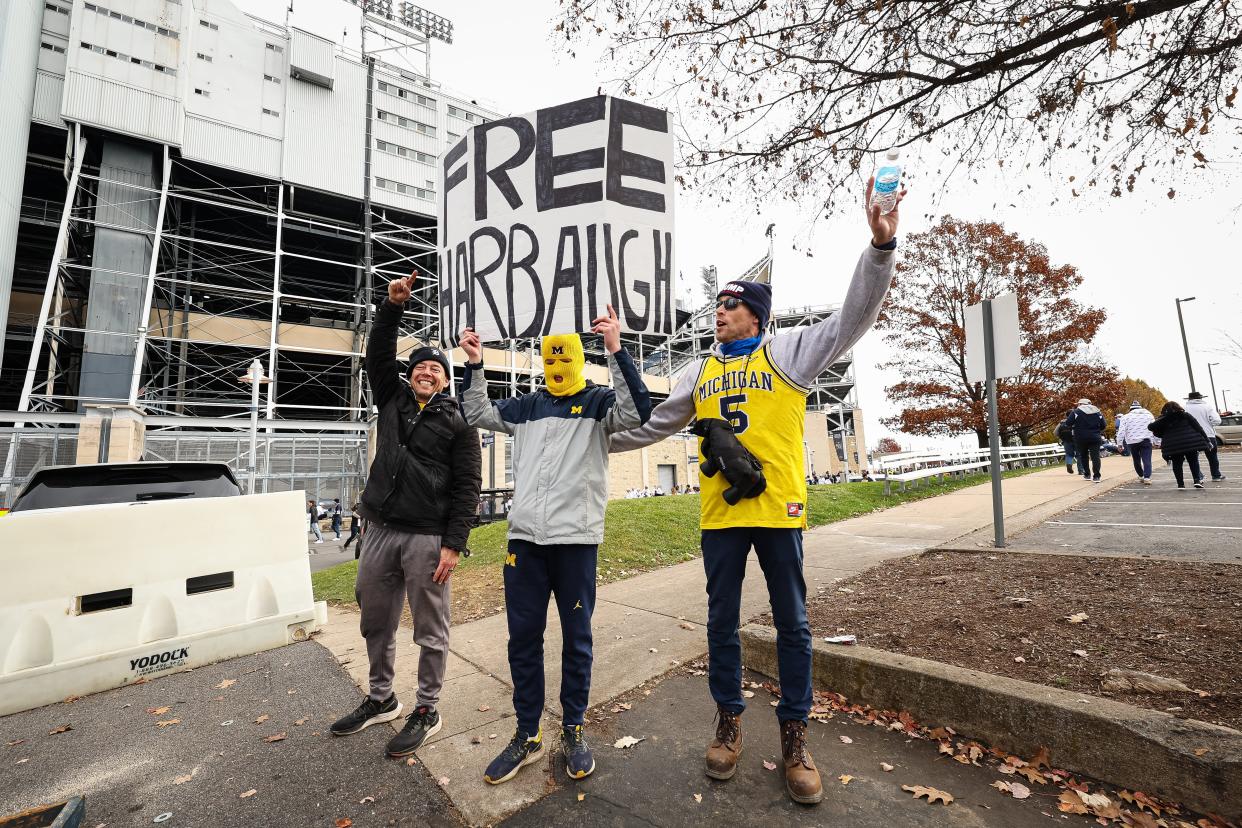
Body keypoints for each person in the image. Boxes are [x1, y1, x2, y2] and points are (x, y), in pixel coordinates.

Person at [610, 178, 903, 806]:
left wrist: (879, 250)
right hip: (720, 516)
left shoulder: (791, 352)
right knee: (722, 623)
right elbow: (651, 425)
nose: (718, 313)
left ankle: (795, 736)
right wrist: (587, 441)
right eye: (717, 306)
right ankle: (728, 719)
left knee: (793, 625)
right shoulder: (700, 369)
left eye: (730, 306)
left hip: (780, 512)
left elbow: (853, 320)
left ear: (757, 315)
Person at [459, 306, 650, 786]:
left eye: (565, 360)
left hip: (575, 544)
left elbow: (638, 411)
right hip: (524, 544)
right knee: (523, 640)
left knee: (577, 641)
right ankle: (527, 733)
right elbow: (477, 411)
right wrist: (476, 364)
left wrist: (616, 348)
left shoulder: (599, 402)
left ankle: (573, 728)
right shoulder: (525, 406)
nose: (557, 369)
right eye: (551, 361)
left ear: (580, 360)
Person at [330, 272, 482, 758]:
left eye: (436, 368)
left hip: (426, 538)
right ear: (410, 374)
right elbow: (377, 357)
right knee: (376, 619)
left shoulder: (459, 422)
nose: (427, 371)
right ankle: (381, 697)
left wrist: (454, 543)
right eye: (420, 366)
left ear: (444, 378)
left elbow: (467, 488)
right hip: (380, 529)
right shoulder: (392, 400)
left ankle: (427, 708)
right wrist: (391, 309)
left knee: (430, 628)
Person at [1148, 401, 1214, 489]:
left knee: (1177, 464)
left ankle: (1180, 484)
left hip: (1174, 445)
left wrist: (1162, 428)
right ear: (1178, 407)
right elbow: (1198, 427)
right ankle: (1197, 480)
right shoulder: (1186, 415)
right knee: (1193, 461)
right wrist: (1207, 441)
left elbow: (1151, 427)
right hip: (1190, 443)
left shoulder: (1164, 419)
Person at [1185, 391, 1225, 481]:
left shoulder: (1184, 408)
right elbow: (1217, 420)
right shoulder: (1207, 407)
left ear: (1189, 399)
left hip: (1191, 436)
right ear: (1200, 398)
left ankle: (1198, 476)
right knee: (1212, 456)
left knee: (1193, 458)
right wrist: (1208, 423)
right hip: (1208, 435)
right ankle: (1216, 475)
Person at [1115, 401, 1156, 485]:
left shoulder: (1125, 417)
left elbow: (1121, 431)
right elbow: (1154, 428)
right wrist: (1157, 441)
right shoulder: (1149, 415)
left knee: (1136, 459)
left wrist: (1119, 444)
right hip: (1146, 440)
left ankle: (1141, 475)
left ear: (1131, 409)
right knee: (1147, 459)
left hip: (1132, 441)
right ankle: (1147, 477)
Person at [1066, 398, 1105, 482]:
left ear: (1080, 404)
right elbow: (1103, 425)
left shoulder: (1076, 412)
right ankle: (1096, 476)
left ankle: (1087, 474)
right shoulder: (1098, 412)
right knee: (1095, 457)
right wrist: (1096, 430)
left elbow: (1068, 423)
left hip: (1081, 437)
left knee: (1084, 456)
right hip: (1095, 437)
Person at [1056, 411, 1082, 475]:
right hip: (1077, 440)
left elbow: (1055, 432)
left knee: (1069, 454)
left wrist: (1061, 437)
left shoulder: (1062, 422)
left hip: (1066, 441)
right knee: (1079, 455)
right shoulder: (1077, 421)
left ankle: (1069, 464)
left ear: (1066, 415)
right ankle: (1081, 470)